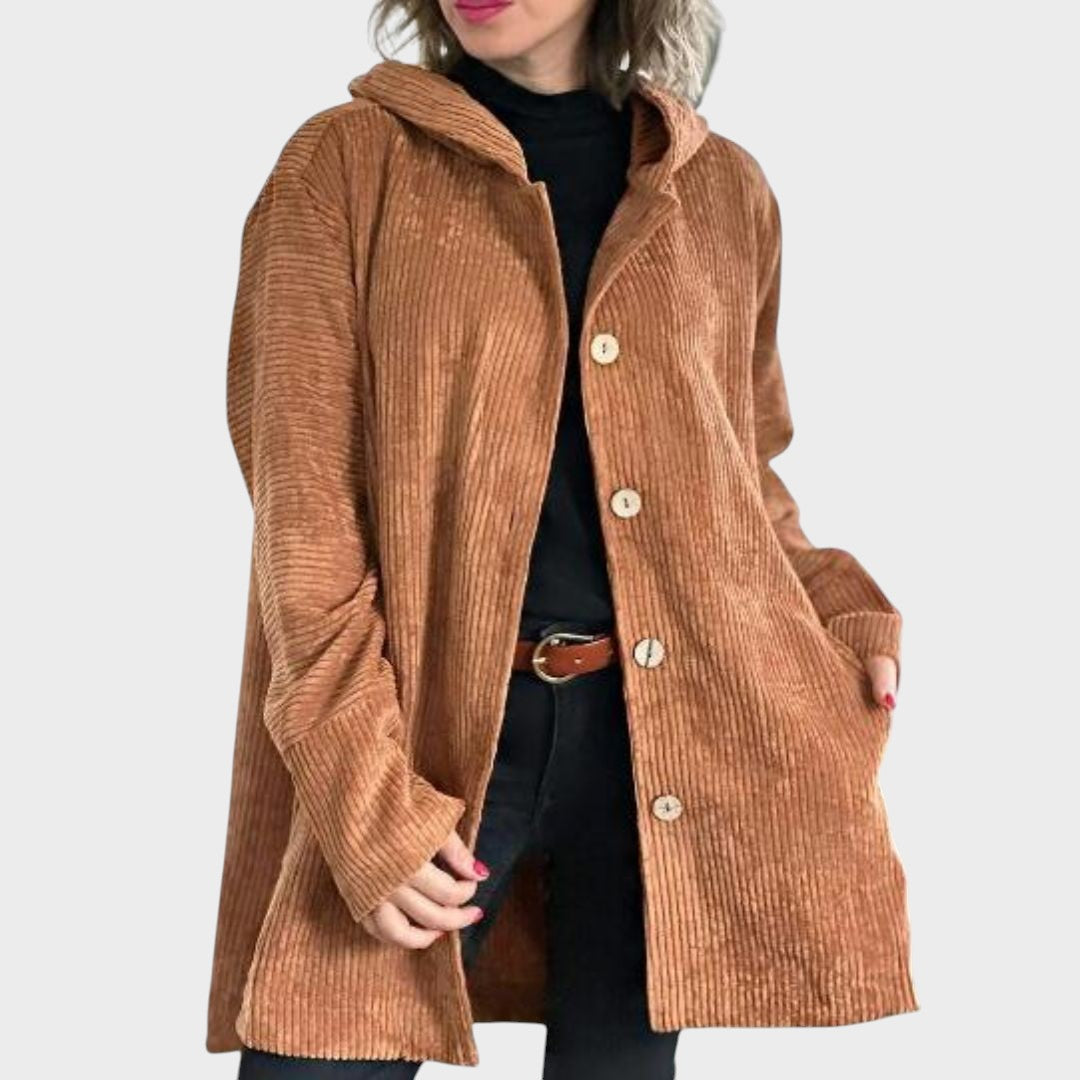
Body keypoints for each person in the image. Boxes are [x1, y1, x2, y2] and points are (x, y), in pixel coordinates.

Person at [206, 2, 916, 1078]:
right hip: (423, 741)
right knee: (321, 1046)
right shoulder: (345, 167)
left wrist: (838, 606)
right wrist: (363, 794)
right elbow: (305, 522)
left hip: (653, 747)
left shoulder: (719, 190)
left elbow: (743, 472)